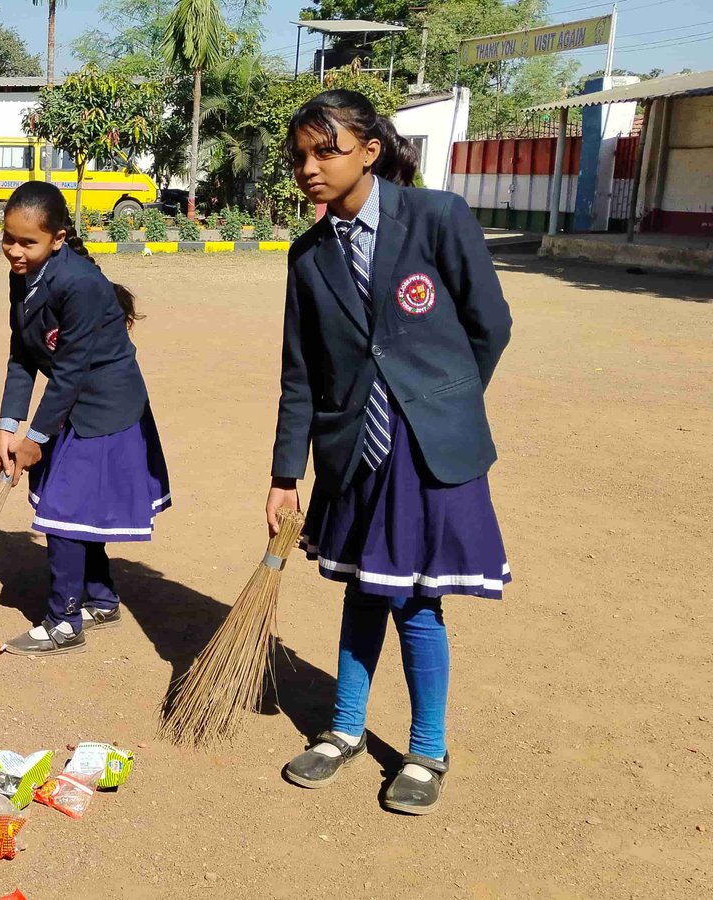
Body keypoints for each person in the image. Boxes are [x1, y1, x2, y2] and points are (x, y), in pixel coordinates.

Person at [269, 90, 513, 815]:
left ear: (369, 151)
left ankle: (426, 750)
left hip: (425, 448)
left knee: (415, 601)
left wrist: (443, 402)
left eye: (326, 150)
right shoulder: (308, 256)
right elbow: (300, 370)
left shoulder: (437, 218)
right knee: (362, 590)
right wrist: (287, 473)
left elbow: (488, 323)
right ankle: (344, 730)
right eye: (300, 156)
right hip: (353, 450)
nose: (310, 167)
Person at [0, 181, 171, 657]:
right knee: (73, 506)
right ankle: (101, 597)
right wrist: (9, 425)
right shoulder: (24, 273)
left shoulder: (79, 284)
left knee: (64, 511)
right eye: (7, 237)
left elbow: (69, 373)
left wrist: (36, 436)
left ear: (57, 237)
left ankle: (63, 622)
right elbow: (22, 352)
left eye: (27, 241)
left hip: (105, 408)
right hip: (69, 404)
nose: (13, 249)